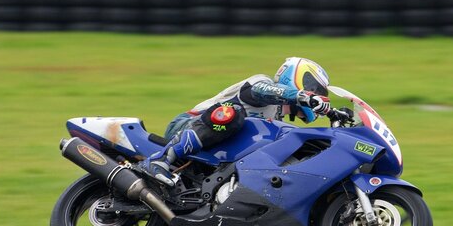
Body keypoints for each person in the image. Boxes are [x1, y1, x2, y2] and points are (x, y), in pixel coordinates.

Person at [139, 57, 333, 186]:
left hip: (216, 155)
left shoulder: (279, 120)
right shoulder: (264, 84)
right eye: (313, 88)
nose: (314, 94)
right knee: (233, 113)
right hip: (187, 126)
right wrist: (302, 96)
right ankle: (161, 159)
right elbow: (261, 91)